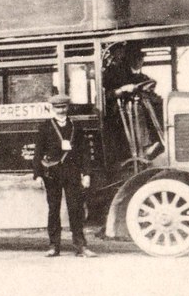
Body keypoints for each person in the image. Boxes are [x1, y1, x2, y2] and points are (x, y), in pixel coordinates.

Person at [33, 95, 96, 258]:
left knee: (75, 209)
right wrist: (38, 175)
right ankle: (54, 246)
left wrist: (86, 174)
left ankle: (81, 247)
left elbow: (84, 153)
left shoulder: (76, 126)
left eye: (64, 107)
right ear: (52, 108)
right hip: (52, 174)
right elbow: (38, 152)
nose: (61, 110)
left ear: (68, 108)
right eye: (58, 107)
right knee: (53, 210)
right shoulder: (45, 127)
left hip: (72, 173)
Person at [103, 46, 164, 160]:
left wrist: (149, 85)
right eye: (136, 59)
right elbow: (106, 94)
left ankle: (162, 140)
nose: (139, 62)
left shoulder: (134, 73)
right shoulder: (111, 72)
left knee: (160, 105)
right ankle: (145, 147)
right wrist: (122, 90)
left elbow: (141, 82)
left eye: (141, 59)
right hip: (116, 110)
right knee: (137, 108)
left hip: (132, 103)